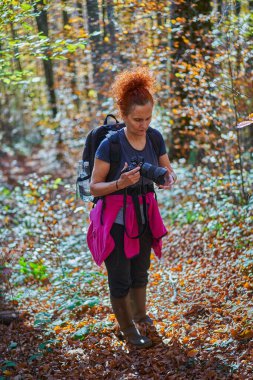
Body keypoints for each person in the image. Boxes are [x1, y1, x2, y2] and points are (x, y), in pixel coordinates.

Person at [88, 68, 176, 349]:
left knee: (141, 270)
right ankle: (127, 329)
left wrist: (168, 179)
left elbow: (167, 170)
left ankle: (140, 316)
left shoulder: (154, 137)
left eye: (149, 118)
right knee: (120, 276)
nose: (144, 124)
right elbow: (94, 187)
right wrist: (120, 182)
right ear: (124, 115)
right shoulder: (109, 145)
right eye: (137, 119)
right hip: (115, 216)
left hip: (145, 212)